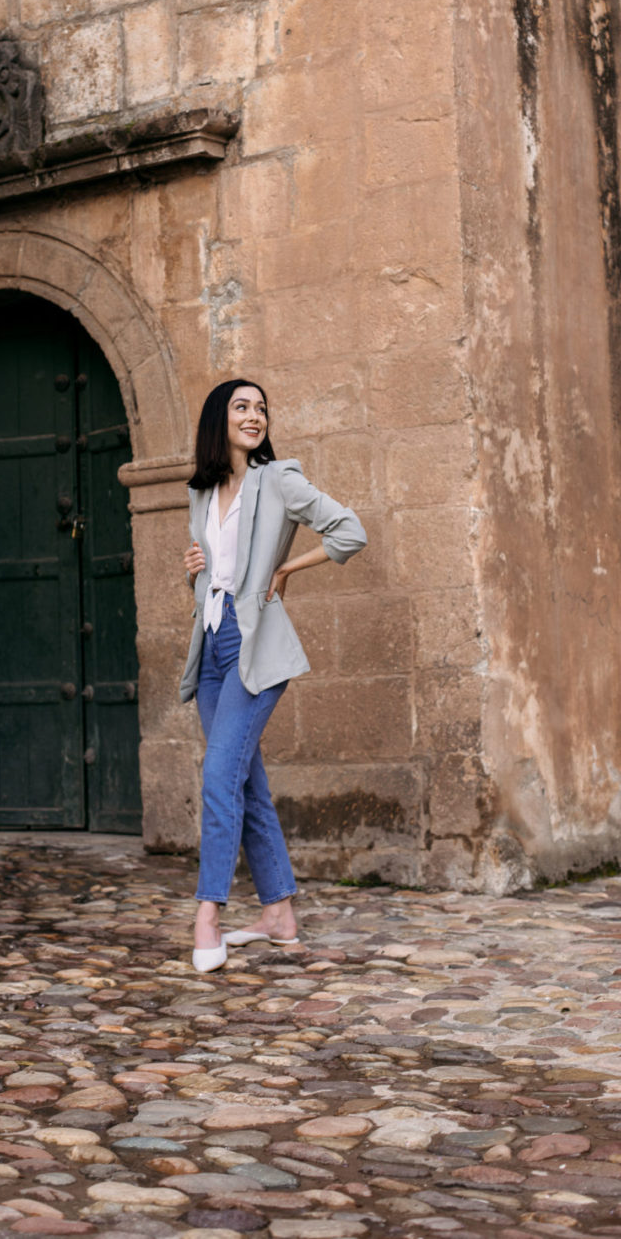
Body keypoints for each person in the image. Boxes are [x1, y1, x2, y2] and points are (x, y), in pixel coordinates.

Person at [181, 378, 367, 972]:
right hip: (211, 642)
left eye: (260, 408)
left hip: (253, 645)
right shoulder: (203, 491)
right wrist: (195, 571)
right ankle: (279, 913)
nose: (255, 415)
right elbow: (215, 572)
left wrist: (289, 566)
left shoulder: (278, 479)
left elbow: (349, 530)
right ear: (220, 419)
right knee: (244, 781)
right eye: (242, 407)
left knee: (217, 776)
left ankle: (207, 913)